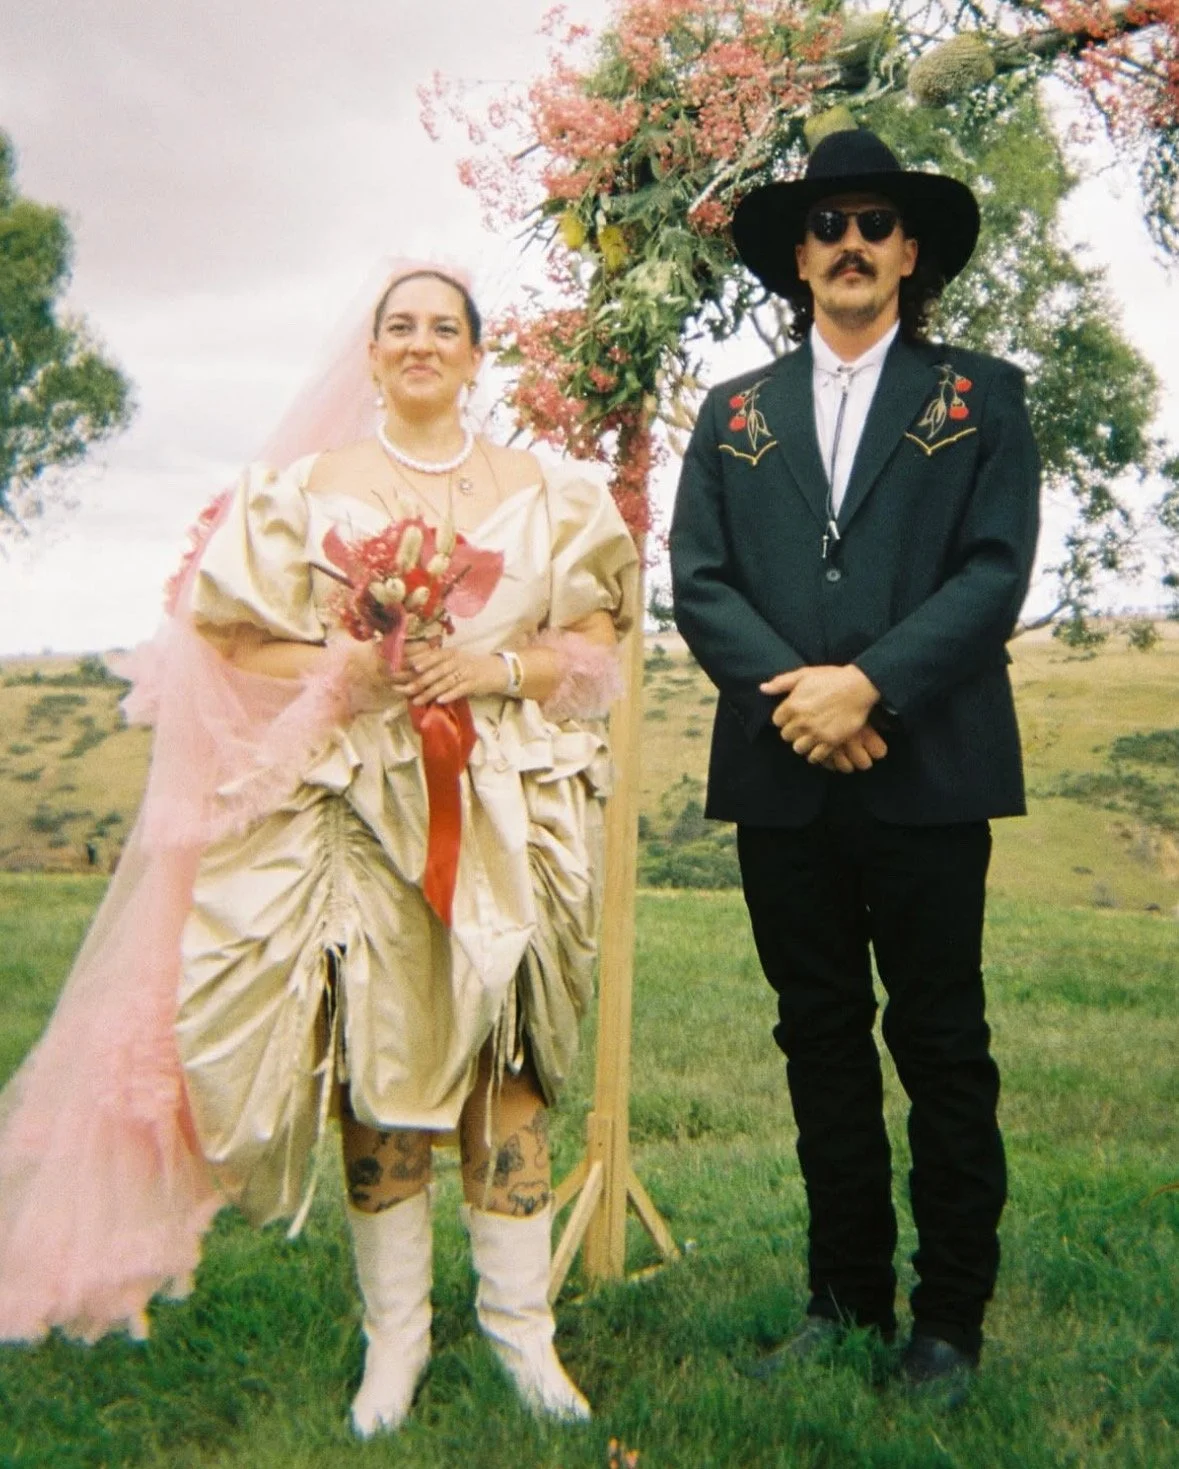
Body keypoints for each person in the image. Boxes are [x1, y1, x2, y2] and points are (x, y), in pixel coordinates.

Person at [0, 264, 639, 1436]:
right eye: (399, 326)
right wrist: (349, 671)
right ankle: (393, 1342)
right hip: (361, 812)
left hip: (508, 803)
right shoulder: (305, 490)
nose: (419, 343)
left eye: (444, 327)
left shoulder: (544, 490)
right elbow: (233, 635)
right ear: (371, 350)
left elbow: (594, 637)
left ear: (476, 352)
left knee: (511, 1065)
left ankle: (520, 1334)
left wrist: (495, 669)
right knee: (382, 1070)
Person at [670, 129, 1040, 1397]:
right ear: (797, 257)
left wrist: (869, 685)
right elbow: (700, 582)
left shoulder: (980, 397)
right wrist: (802, 701)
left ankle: (948, 1320)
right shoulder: (731, 416)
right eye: (827, 226)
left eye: (875, 222)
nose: (851, 244)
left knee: (940, 1038)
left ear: (910, 251)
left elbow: (994, 571)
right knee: (817, 1035)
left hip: (931, 770)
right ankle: (843, 1300)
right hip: (784, 777)